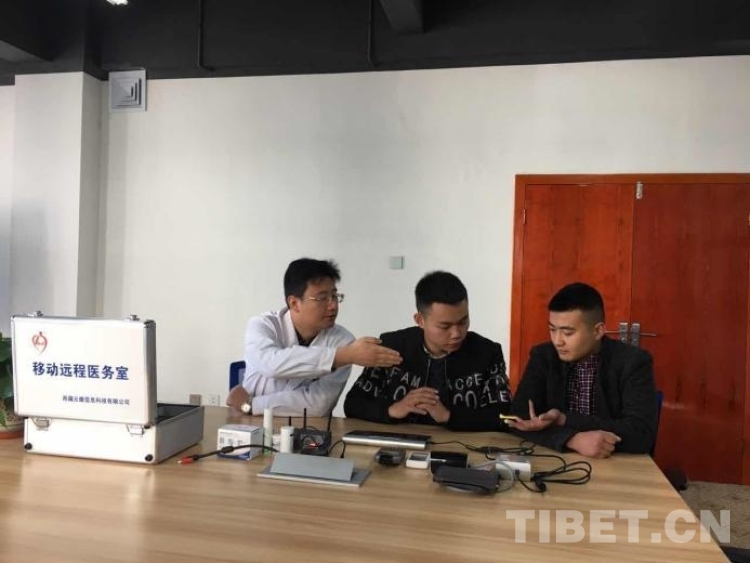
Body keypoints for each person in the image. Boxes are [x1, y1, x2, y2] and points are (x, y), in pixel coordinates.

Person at [226, 258, 402, 417]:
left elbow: (318, 404)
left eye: (335, 296)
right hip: (247, 422)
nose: (333, 306)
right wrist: (342, 356)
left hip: (305, 428)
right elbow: (271, 364)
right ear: (294, 303)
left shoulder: (343, 340)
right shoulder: (264, 325)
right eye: (322, 298)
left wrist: (251, 405)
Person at [343, 271, 513, 430]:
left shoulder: (487, 353)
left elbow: (504, 417)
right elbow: (353, 404)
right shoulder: (392, 346)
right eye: (445, 326)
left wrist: (448, 416)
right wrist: (393, 409)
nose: (456, 334)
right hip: (401, 441)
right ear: (420, 320)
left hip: (465, 446)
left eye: (463, 322)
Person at [508, 282, 658, 458]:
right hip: (557, 459)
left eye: (568, 333)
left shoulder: (632, 362)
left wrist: (565, 419)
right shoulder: (543, 356)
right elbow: (517, 419)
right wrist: (572, 439)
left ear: (598, 331)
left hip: (615, 462)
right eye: (552, 329)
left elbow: (641, 433)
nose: (558, 341)